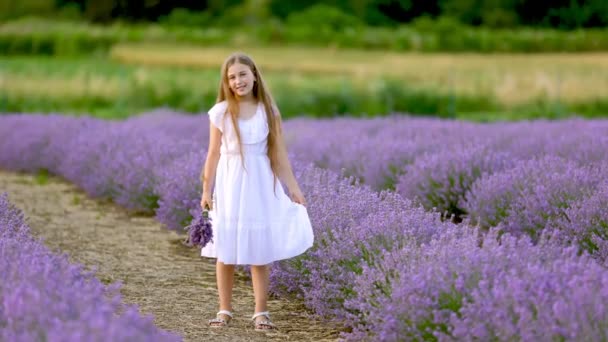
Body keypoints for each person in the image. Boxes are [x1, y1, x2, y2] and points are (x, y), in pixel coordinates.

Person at [199, 52, 314, 331]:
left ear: (254, 75)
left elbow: (279, 155)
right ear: (226, 82)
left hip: (260, 184)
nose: (238, 81)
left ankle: (260, 311)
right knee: (225, 249)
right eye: (231, 77)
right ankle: (224, 309)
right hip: (229, 184)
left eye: (242, 74)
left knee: (259, 250)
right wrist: (206, 190)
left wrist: (294, 188)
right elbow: (213, 154)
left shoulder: (268, 111)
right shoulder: (222, 112)